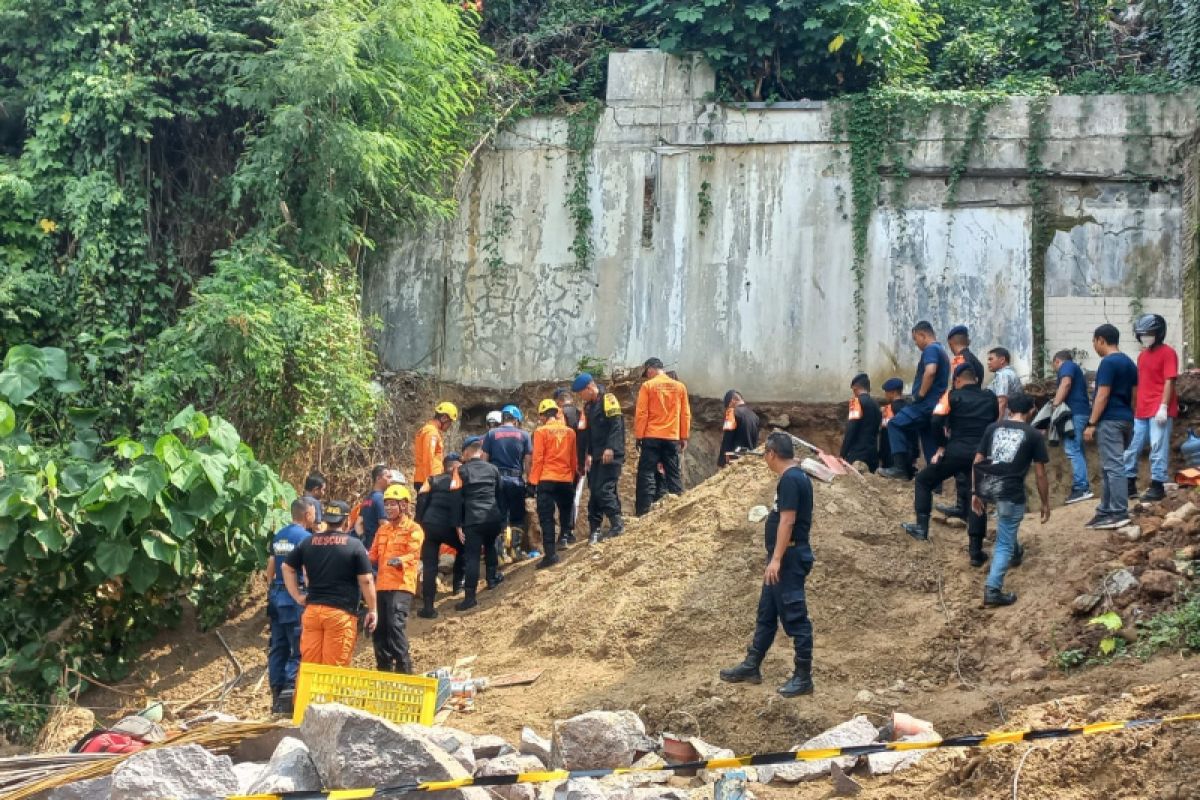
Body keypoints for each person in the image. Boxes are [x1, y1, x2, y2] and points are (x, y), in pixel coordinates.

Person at [718, 432, 815, 698]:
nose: (765, 460)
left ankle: (803, 677)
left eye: (765, 455)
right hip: (783, 558)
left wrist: (776, 560)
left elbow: (787, 521)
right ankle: (752, 665)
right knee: (767, 614)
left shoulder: (792, 480)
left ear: (771, 453)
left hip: (788, 559)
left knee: (795, 617)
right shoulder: (792, 477)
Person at [900, 364, 997, 566]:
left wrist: (941, 446)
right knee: (977, 497)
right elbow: (994, 421)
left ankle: (921, 528)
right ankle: (976, 552)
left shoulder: (951, 396)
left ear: (958, 380)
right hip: (980, 455)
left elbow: (936, 421)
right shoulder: (990, 397)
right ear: (976, 380)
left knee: (924, 480)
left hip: (955, 452)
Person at [971, 394, 1050, 607]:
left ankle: (1016, 553)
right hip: (1011, 492)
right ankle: (993, 589)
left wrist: (975, 492)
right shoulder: (1033, 435)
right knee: (1004, 541)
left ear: (1009, 409)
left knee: (1006, 525)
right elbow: (1040, 474)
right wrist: (1045, 502)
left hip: (990, 487)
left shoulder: (992, 428)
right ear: (1032, 410)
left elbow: (978, 461)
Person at [283, 507, 378, 667]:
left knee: (309, 668)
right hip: (340, 614)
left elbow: (287, 567)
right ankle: (327, 694)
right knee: (333, 672)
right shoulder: (354, 545)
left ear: (326, 520)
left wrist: (298, 596)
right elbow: (366, 580)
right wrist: (373, 609)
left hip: (313, 612)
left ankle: (307, 693)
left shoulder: (308, 542)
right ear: (347, 521)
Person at [1084, 324, 1139, 530]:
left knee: (1114, 467)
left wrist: (1091, 423)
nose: (1094, 346)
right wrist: (1130, 416)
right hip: (1126, 419)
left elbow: (1102, 394)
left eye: (1094, 342)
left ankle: (1118, 511)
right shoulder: (1129, 363)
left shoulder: (1108, 363)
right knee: (1109, 467)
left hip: (1110, 420)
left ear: (1100, 340)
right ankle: (1105, 510)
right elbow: (1135, 396)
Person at [880, 321, 950, 479]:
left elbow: (930, 371)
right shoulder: (943, 352)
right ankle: (935, 482)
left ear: (922, 335)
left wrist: (920, 395)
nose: (916, 343)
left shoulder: (931, 349)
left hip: (924, 404)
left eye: (915, 339)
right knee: (930, 444)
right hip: (936, 407)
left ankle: (900, 468)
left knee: (895, 424)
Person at [368, 484, 423, 673]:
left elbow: (414, 554)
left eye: (393, 504)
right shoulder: (382, 530)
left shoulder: (414, 529)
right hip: (382, 586)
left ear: (404, 506)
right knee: (379, 629)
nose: (389, 508)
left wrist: (400, 560)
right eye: (387, 505)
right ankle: (383, 670)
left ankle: (404, 669)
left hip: (401, 585)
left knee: (394, 625)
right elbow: (372, 556)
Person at [1124, 314, 1178, 502]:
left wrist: (1163, 406)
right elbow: (1141, 384)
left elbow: (1169, 380)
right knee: (1134, 446)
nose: (1145, 337)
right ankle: (1129, 482)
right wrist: (1136, 406)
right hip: (1142, 409)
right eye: (1142, 334)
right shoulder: (1141, 356)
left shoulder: (1168, 353)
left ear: (1158, 333)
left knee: (1157, 446)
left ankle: (1157, 484)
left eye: (1149, 333)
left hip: (1159, 408)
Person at [266, 498, 312, 714]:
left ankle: (276, 694)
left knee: (278, 645)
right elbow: (305, 569)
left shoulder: (279, 535)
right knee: (298, 647)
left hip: (276, 595)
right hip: (294, 597)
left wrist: (271, 589)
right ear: (307, 514)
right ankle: (289, 694)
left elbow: (271, 564)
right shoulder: (305, 538)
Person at [572, 373, 626, 543]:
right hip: (596, 456)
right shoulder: (589, 407)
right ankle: (594, 529)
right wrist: (586, 455)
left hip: (610, 453)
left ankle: (617, 523)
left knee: (604, 489)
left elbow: (616, 425)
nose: (581, 396)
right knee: (594, 491)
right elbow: (586, 433)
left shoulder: (608, 399)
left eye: (581, 392)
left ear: (589, 387)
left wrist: (611, 447)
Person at [634, 358, 692, 515]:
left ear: (650, 369)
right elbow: (685, 414)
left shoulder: (648, 386)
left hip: (651, 436)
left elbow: (642, 413)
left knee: (646, 474)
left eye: (647, 373)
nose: (647, 376)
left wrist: (639, 436)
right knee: (673, 473)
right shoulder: (680, 387)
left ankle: (643, 513)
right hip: (672, 437)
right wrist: (684, 436)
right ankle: (678, 510)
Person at [456, 435, 504, 610]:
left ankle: (470, 597)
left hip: (473, 519)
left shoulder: (461, 471)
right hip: (492, 517)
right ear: (480, 452)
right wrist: (501, 519)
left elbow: (457, 499)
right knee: (490, 546)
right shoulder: (493, 469)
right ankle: (492, 579)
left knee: (473, 557)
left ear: (468, 453)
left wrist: (458, 523)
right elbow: (500, 494)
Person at [529, 399, 578, 568]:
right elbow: (573, 459)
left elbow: (538, 459)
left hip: (547, 479)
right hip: (565, 479)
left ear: (543, 415)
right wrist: (571, 478)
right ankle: (565, 537)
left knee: (546, 518)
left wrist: (532, 482)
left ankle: (550, 555)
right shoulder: (570, 432)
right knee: (565, 510)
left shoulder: (540, 432)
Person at [416, 454, 465, 619]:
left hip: (429, 525)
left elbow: (421, 499)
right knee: (463, 548)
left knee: (430, 566)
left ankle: (428, 607)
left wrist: (420, 522)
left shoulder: (431, 480)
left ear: (444, 466)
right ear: (456, 466)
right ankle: (458, 586)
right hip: (449, 526)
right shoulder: (460, 480)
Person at [482, 404, 534, 556]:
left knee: (500, 515)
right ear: (516, 420)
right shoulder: (524, 435)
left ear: (503, 418)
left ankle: (500, 553)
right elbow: (528, 461)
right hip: (515, 480)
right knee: (517, 516)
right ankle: (515, 550)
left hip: (496, 480)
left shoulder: (491, 435)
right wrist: (530, 482)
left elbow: (484, 460)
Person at [1050, 350, 1093, 504]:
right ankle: (1084, 486)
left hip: (1075, 413)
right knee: (1077, 449)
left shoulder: (1067, 365)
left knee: (1072, 449)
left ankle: (1081, 488)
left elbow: (1066, 383)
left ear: (1057, 361)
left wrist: (1055, 405)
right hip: (1081, 413)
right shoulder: (1075, 368)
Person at [840, 374, 882, 472]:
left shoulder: (857, 402)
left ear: (855, 388)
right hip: (872, 456)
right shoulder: (876, 405)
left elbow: (851, 429)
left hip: (858, 456)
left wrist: (843, 454)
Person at [414, 402, 458, 491]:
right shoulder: (431, 432)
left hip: (427, 479)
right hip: (428, 480)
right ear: (444, 418)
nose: (450, 426)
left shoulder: (429, 430)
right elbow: (428, 458)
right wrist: (428, 481)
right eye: (450, 422)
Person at [718, 390, 760, 467]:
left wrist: (722, 462)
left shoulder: (732, 412)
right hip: (749, 461)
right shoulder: (755, 416)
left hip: (734, 461)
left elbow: (727, 438)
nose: (727, 409)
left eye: (728, 406)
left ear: (732, 401)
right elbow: (755, 442)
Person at [360, 464, 396, 550]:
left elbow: (359, 522)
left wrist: (362, 538)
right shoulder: (380, 498)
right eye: (388, 477)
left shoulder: (367, 498)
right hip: (379, 544)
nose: (391, 480)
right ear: (378, 478)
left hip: (368, 543)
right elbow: (384, 523)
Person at [878, 377, 907, 469]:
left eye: (886, 392)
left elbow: (886, 434)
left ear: (893, 393)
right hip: (906, 453)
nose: (885, 395)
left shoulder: (890, 409)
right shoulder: (908, 407)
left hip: (891, 454)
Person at [987, 348, 1022, 420]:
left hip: (1005, 418)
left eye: (991, 359)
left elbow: (1002, 402)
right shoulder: (1010, 372)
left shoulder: (1003, 375)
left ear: (1002, 360)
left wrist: (997, 424)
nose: (988, 362)